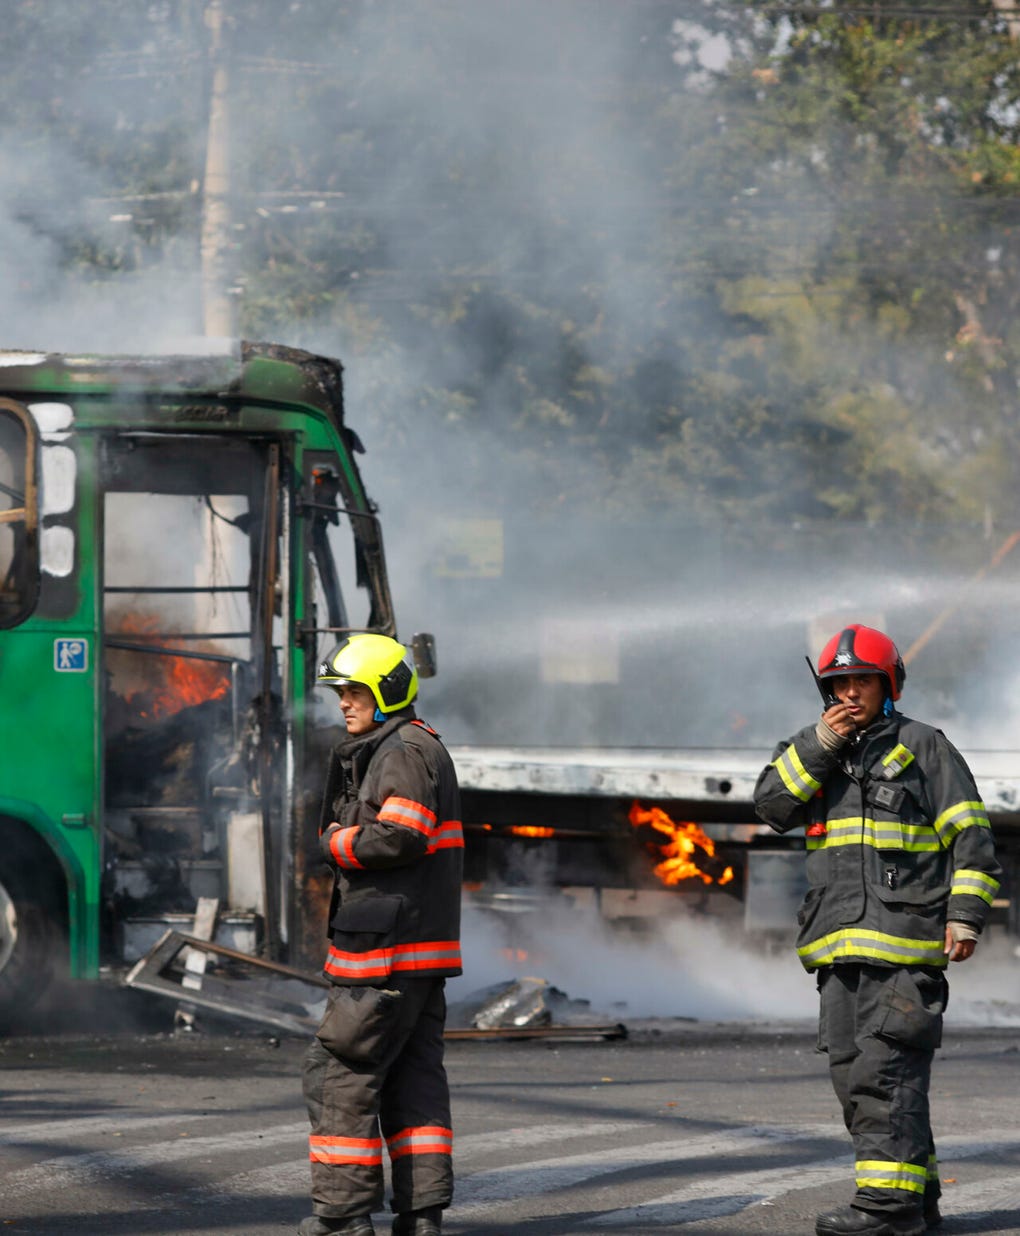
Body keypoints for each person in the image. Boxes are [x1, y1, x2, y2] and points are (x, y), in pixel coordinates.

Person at [754, 624, 1002, 1236]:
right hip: (838, 952)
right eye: (838, 682)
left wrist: (965, 916)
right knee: (856, 1078)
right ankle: (918, 1200)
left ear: (888, 685)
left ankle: (888, 1211)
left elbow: (972, 838)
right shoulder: (812, 749)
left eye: (862, 680)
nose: (849, 693)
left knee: (880, 1076)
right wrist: (820, 745)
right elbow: (770, 807)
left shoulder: (923, 746)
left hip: (903, 947)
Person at [299, 634, 463, 1236]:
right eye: (340, 692)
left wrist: (334, 843)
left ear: (388, 690)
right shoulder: (416, 746)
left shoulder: (400, 752)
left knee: (338, 1072)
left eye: (353, 692)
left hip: (385, 954)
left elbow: (399, 835)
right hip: (416, 953)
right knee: (412, 1082)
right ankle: (421, 1216)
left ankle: (343, 1218)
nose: (343, 704)